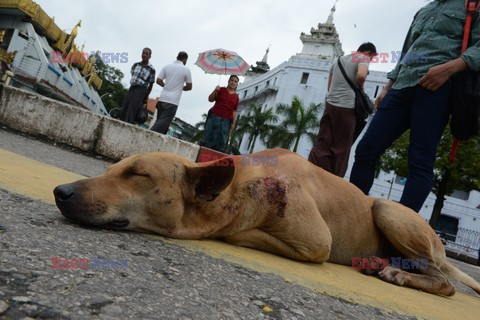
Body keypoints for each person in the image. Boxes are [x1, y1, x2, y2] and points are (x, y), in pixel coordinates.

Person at [349, 0, 480, 213]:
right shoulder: (425, 10)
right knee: (366, 149)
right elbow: (407, 50)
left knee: (420, 160)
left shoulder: (472, 6)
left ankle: (400, 232)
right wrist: (388, 86)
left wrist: (448, 69)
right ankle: (351, 214)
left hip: (437, 87)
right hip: (402, 84)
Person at [308, 42, 377, 178]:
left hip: (330, 106)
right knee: (341, 148)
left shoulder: (338, 60)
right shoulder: (363, 58)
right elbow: (361, 76)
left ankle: (312, 172)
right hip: (347, 109)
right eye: (372, 58)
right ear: (368, 53)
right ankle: (333, 180)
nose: (371, 60)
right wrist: (361, 88)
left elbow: (329, 87)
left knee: (323, 142)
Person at [150, 51, 192, 134]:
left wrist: (166, 86)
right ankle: (147, 133)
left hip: (162, 99)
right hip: (173, 102)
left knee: (162, 124)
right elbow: (189, 87)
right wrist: (180, 88)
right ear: (185, 59)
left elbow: (158, 80)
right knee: (162, 124)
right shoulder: (186, 69)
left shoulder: (167, 66)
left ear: (177, 57)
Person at [201, 75, 240, 152]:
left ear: (237, 84)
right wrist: (215, 90)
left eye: (236, 81)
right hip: (214, 115)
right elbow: (210, 99)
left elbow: (234, 110)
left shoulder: (236, 97)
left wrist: (233, 123)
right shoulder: (221, 90)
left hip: (226, 120)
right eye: (232, 80)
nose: (233, 82)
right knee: (208, 135)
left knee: (221, 139)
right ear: (228, 81)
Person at [121, 48, 155, 123]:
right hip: (132, 87)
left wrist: (146, 96)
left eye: (146, 54)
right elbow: (133, 74)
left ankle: (128, 123)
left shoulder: (151, 69)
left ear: (150, 56)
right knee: (125, 104)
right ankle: (122, 121)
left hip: (141, 89)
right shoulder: (135, 65)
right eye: (143, 53)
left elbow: (151, 84)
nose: (144, 55)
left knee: (133, 107)